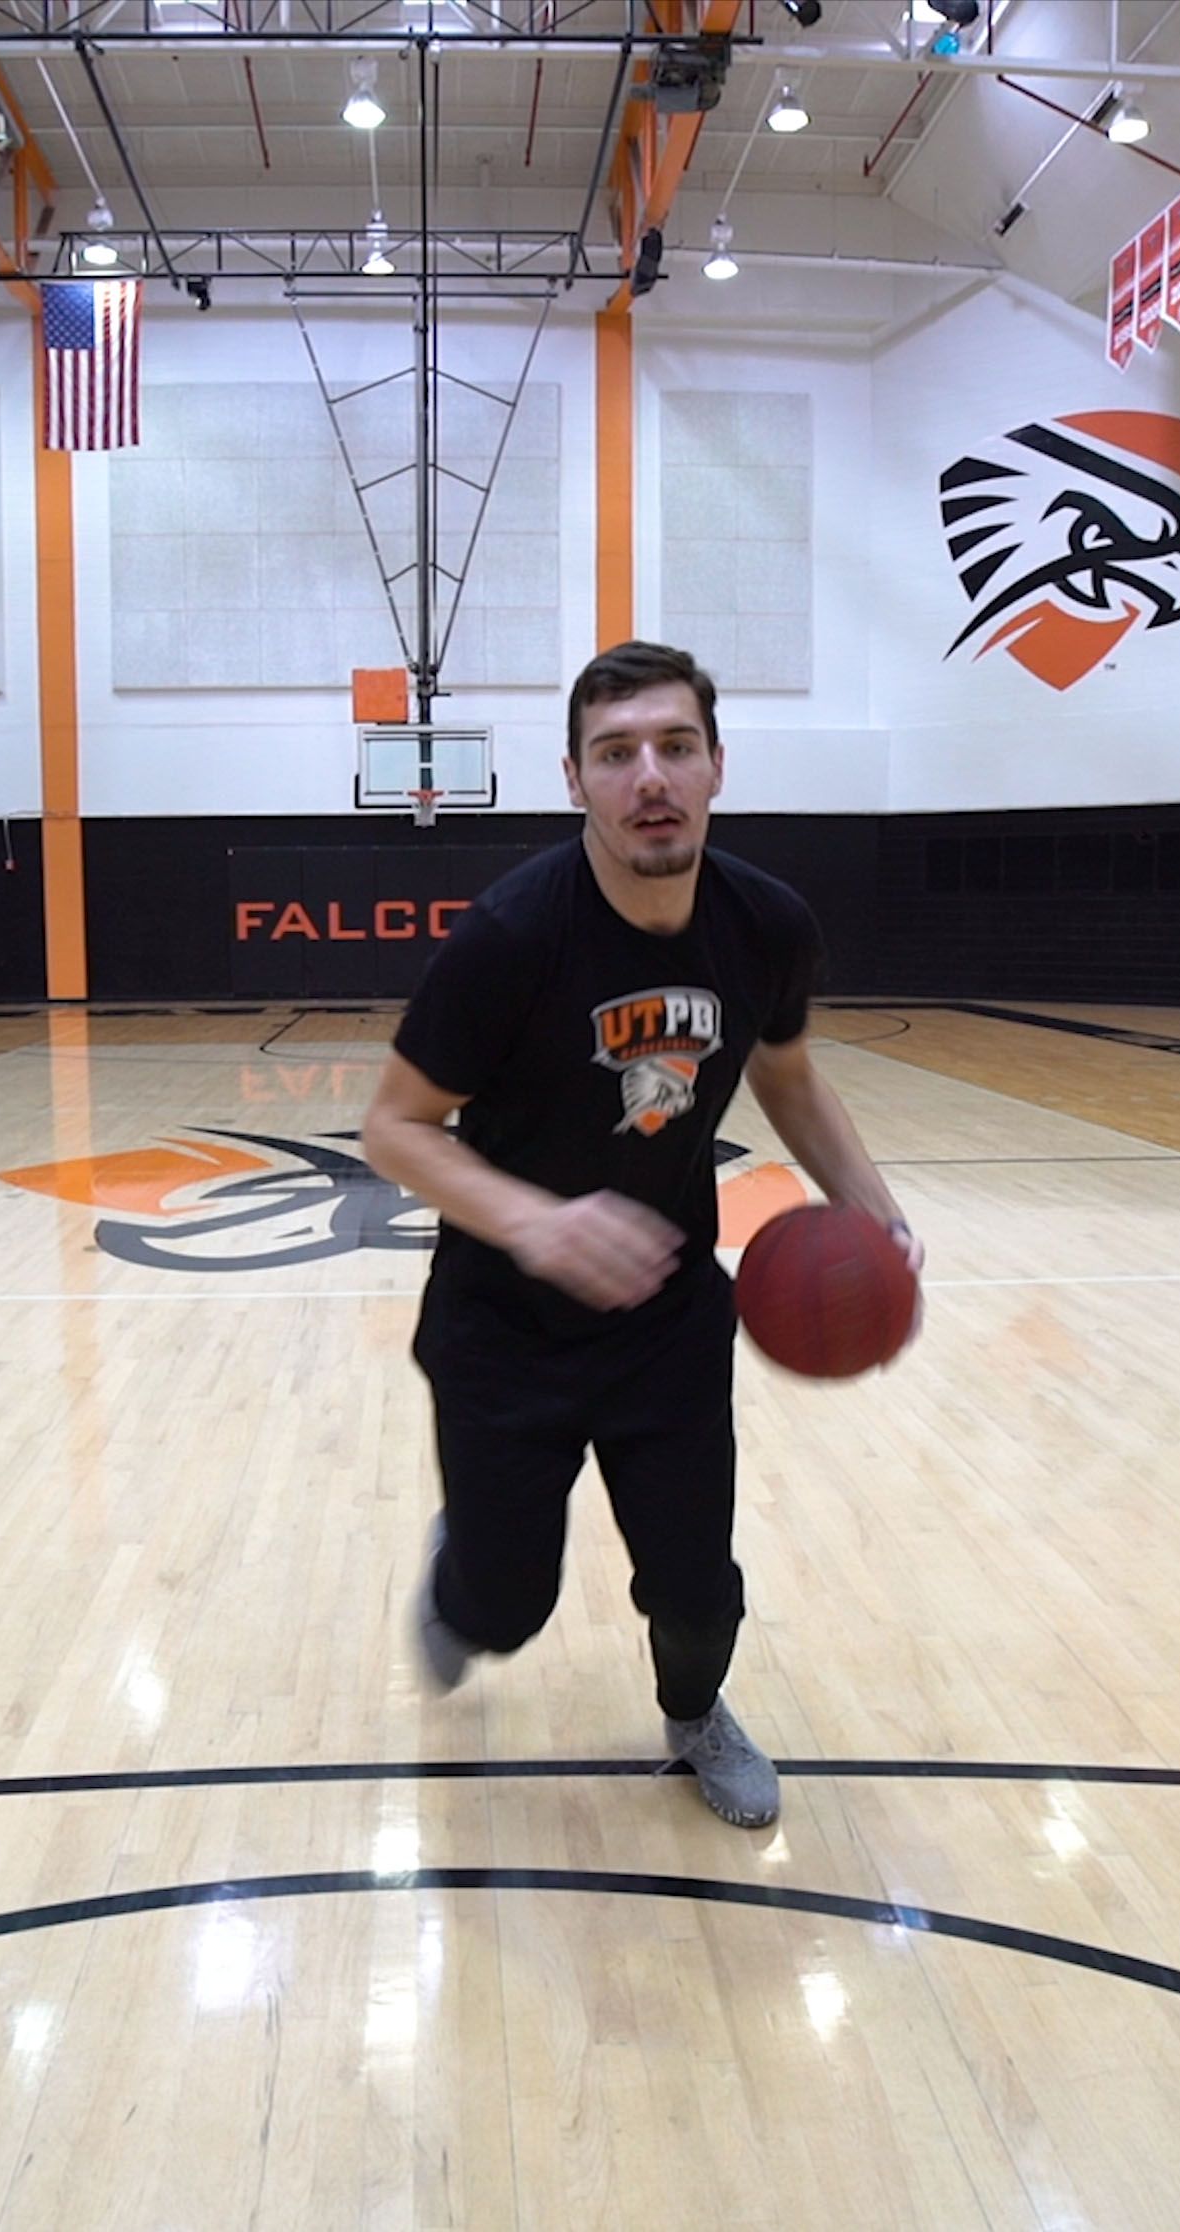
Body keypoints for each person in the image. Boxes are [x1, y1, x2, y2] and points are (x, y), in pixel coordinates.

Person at [357, 640, 918, 1830]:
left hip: (665, 1321)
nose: (648, 776)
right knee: (501, 1612)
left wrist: (870, 1201)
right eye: (616, 754)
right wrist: (537, 1221)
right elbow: (394, 1129)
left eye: (673, 747)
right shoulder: (510, 938)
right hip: (503, 1324)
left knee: (697, 1588)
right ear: (574, 780)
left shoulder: (767, 925)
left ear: (717, 765)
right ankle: (469, 1562)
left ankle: (695, 1713)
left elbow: (790, 1074)